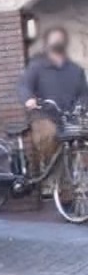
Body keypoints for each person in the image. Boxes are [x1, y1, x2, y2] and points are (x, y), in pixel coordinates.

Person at [17, 25, 87, 190]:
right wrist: (28, 99)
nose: (57, 41)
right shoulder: (36, 67)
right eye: (54, 38)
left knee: (78, 137)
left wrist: (81, 106)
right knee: (51, 134)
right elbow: (24, 86)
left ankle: (70, 185)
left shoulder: (75, 70)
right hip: (43, 115)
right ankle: (50, 171)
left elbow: (84, 94)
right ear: (47, 43)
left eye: (60, 38)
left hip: (68, 118)